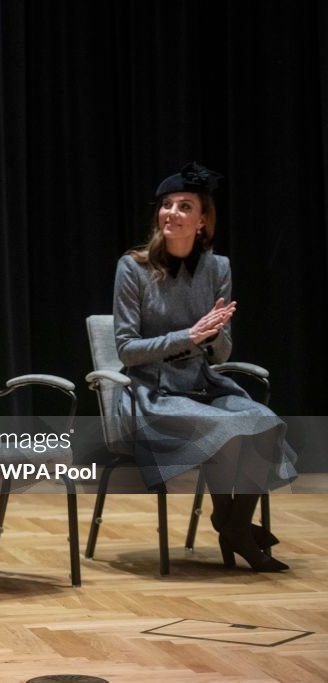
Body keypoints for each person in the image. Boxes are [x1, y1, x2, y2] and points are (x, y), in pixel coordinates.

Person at [113, 161, 297, 572]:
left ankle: (230, 523)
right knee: (229, 429)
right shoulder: (134, 268)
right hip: (152, 392)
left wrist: (213, 336)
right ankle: (236, 528)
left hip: (202, 383)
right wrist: (189, 336)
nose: (171, 213)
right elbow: (126, 350)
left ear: (202, 222)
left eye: (184, 206)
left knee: (264, 422)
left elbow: (222, 355)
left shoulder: (219, 268)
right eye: (166, 205)